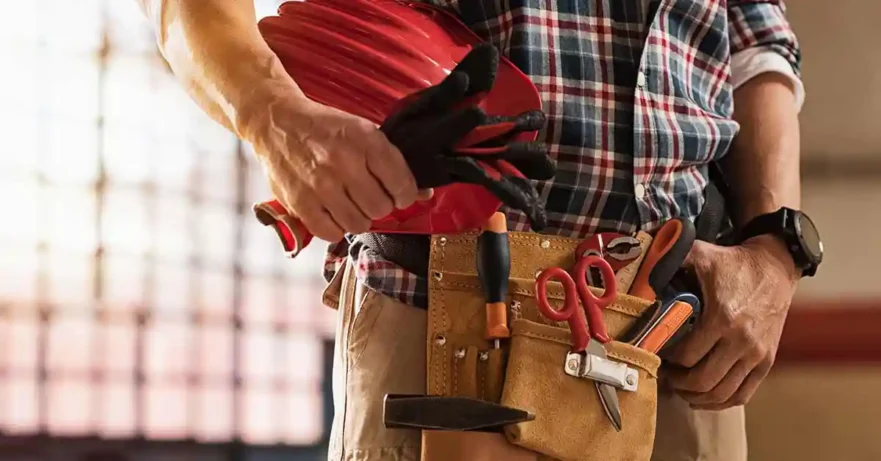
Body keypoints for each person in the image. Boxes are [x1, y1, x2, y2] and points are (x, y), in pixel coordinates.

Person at [137, 0, 821, 460]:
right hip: (438, 312)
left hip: (680, 337)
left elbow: (755, 40)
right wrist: (272, 116)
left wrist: (776, 245)